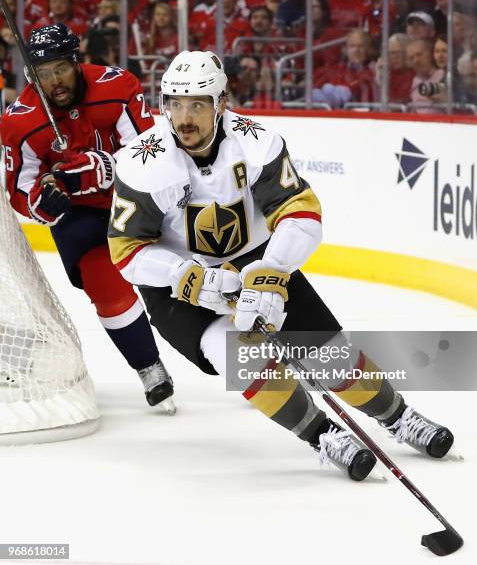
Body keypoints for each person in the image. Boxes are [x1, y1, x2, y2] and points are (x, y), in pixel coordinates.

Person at [107, 49, 454, 480]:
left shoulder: (256, 142)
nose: (184, 118)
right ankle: (322, 435)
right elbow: (126, 250)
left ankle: (399, 418)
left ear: (222, 103)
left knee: (332, 358)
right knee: (242, 356)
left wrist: (269, 275)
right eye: (175, 104)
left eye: (197, 104)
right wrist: (186, 275)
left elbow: (301, 215)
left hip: (256, 256)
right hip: (176, 281)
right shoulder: (143, 161)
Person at [0, 24, 174, 410]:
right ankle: (149, 367)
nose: (54, 81)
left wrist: (107, 168)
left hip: (145, 202)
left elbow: (153, 153)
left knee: (200, 276)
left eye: (60, 68)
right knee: (106, 287)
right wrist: (43, 204)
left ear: (76, 62)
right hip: (83, 217)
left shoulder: (117, 87)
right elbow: (20, 190)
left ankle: (253, 360)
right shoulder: (20, 121)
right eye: (42, 73)